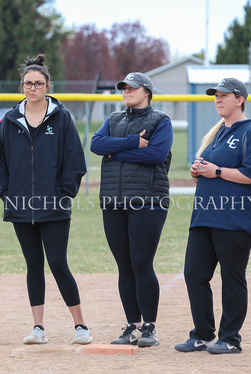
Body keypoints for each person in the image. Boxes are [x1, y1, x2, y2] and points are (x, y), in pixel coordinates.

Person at [0, 54, 92, 345]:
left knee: (58, 262)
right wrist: (6, 193)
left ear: (48, 85)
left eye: (38, 83)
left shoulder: (61, 118)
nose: (32, 88)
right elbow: (1, 161)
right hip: (20, 207)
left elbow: (75, 159)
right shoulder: (10, 120)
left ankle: (80, 326)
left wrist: (64, 194)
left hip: (54, 206)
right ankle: (38, 328)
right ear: (22, 86)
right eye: (27, 83)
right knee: (33, 264)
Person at [174, 78, 251, 354]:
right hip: (205, 216)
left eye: (223, 95)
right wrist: (198, 171)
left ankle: (230, 339)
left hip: (236, 218)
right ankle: (202, 334)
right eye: (215, 95)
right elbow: (212, 171)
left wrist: (215, 171)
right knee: (194, 273)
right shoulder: (216, 133)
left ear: (239, 99)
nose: (217, 99)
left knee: (232, 276)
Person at [90, 72, 174, 347]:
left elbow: (156, 155)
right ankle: (132, 327)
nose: (126, 91)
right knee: (124, 265)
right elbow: (96, 145)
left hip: (148, 200)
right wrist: (130, 143)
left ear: (147, 92)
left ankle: (149, 327)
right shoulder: (113, 119)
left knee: (140, 262)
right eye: (124, 88)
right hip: (113, 201)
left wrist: (114, 153)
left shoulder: (161, 120)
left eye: (132, 88)